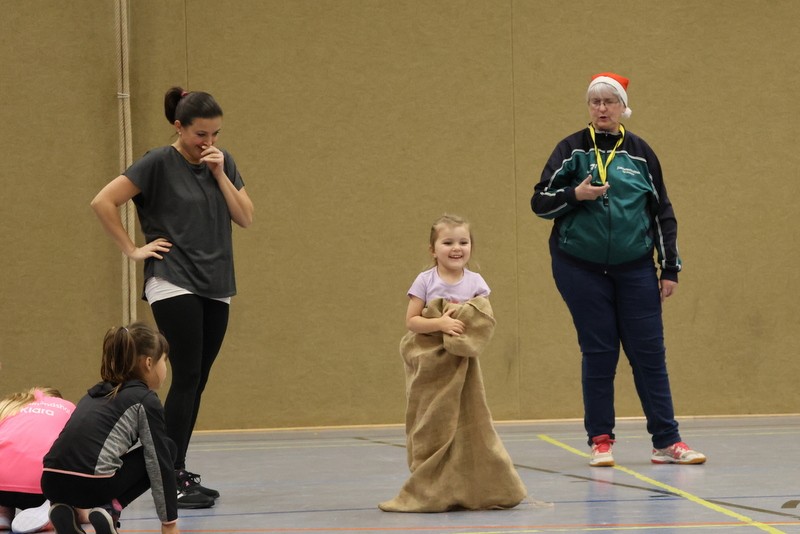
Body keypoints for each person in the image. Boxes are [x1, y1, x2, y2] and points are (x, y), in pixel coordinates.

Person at [531, 72, 706, 467]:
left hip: (635, 269)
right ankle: (601, 440)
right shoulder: (571, 150)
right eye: (595, 102)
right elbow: (540, 202)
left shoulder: (641, 153)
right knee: (600, 352)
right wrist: (575, 194)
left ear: (623, 107)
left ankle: (667, 441)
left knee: (649, 354)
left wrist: (670, 268)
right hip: (580, 268)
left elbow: (662, 212)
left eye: (609, 101)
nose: (602, 108)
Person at [90, 87, 254, 507]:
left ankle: (173, 469)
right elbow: (104, 201)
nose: (208, 142)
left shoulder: (222, 162)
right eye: (200, 134)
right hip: (173, 279)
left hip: (217, 282)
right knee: (185, 374)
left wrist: (220, 173)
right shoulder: (158, 162)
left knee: (197, 379)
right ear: (179, 127)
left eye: (215, 134)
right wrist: (133, 250)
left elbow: (245, 217)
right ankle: (171, 474)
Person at [379, 214, 527, 512]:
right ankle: (430, 488)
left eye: (463, 242)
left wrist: (464, 318)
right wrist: (441, 323)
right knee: (430, 423)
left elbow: (484, 320)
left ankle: (472, 488)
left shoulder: (476, 283)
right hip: (429, 363)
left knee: (467, 423)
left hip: (461, 365)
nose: (456, 248)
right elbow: (412, 321)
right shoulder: (425, 280)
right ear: (433, 250)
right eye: (447, 242)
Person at [42, 322, 179, 534]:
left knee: (91, 466)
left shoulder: (91, 395)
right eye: (165, 361)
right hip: (94, 486)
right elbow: (158, 461)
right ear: (149, 363)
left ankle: (64, 508)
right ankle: (111, 508)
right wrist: (169, 522)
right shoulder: (145, 400)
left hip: (51, 482)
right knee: (168, 449)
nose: (166, 369)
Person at [0, 387, 87, 533]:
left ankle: (3, 515)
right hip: (42, 490)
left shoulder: (10, 405)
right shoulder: (67, 407)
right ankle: (66, 509)